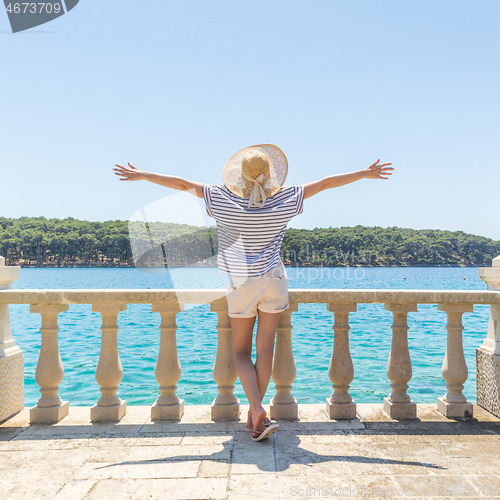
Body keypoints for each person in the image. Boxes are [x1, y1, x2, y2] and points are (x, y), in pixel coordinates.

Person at [114, 144, 393, 441]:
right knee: (265, 350)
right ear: (271, 175)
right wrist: (364, 173)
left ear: (240, 175)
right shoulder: (287, 197)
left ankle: (257, 408)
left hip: (241, 283)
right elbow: (325, 183)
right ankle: (255, 416)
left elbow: (182, 184)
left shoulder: (220, 197)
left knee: (240, 352)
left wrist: (143, 175)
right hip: (274, 279)